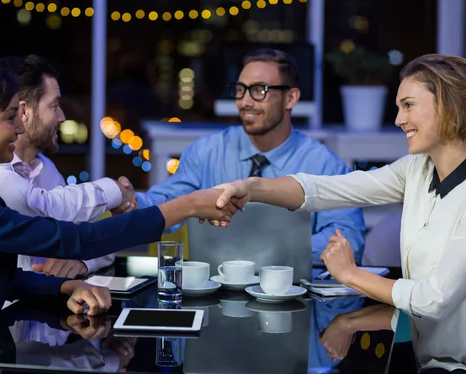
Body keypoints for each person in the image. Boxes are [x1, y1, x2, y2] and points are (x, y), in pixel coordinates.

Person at [214, 54, 466, 374]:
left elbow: (432, 300)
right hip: (433, 365)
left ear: (447, 107)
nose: (398, 119)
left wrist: (350, 274)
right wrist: (251, 187)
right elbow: (329, 189)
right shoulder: (417, 170)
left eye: (408, 105)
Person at [0, 59, 238, 346]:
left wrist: (65, 287)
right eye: (10, 118)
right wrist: (187, 206)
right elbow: (75, 239)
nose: (19, 128)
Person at [133, 48, 366, 264]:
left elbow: (349, 240)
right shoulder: (207, 152)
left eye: (259, 90)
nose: (245, 102)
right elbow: (169, 200)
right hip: (215, 289)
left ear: (291, 98)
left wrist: (275, 249)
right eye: (241, 89)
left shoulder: (323, 163)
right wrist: (132, 202)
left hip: (291, 292)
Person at [0, 54, 133, 279]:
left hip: (44, 308)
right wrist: (113, 191)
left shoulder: (46, 168)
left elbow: (92, 239)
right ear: (23, 112)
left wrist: (80, 262)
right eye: (55, 105)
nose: (62, 116)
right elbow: (49, 207)